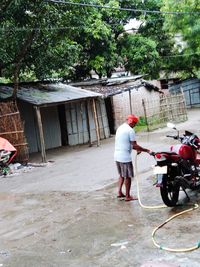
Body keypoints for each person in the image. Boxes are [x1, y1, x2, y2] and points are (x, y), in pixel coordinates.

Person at [114, 114, 152, 201]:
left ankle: (119, 192)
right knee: (128, 176)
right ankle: (128, 196)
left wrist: (137, 149)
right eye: (134, 124)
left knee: (121, 175)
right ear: (132, 123)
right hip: (125, 157)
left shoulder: (120, 127)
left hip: (117, 155)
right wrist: (147, 150)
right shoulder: (130, 130)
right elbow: (134, 145)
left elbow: (126, 142)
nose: (134, 126)